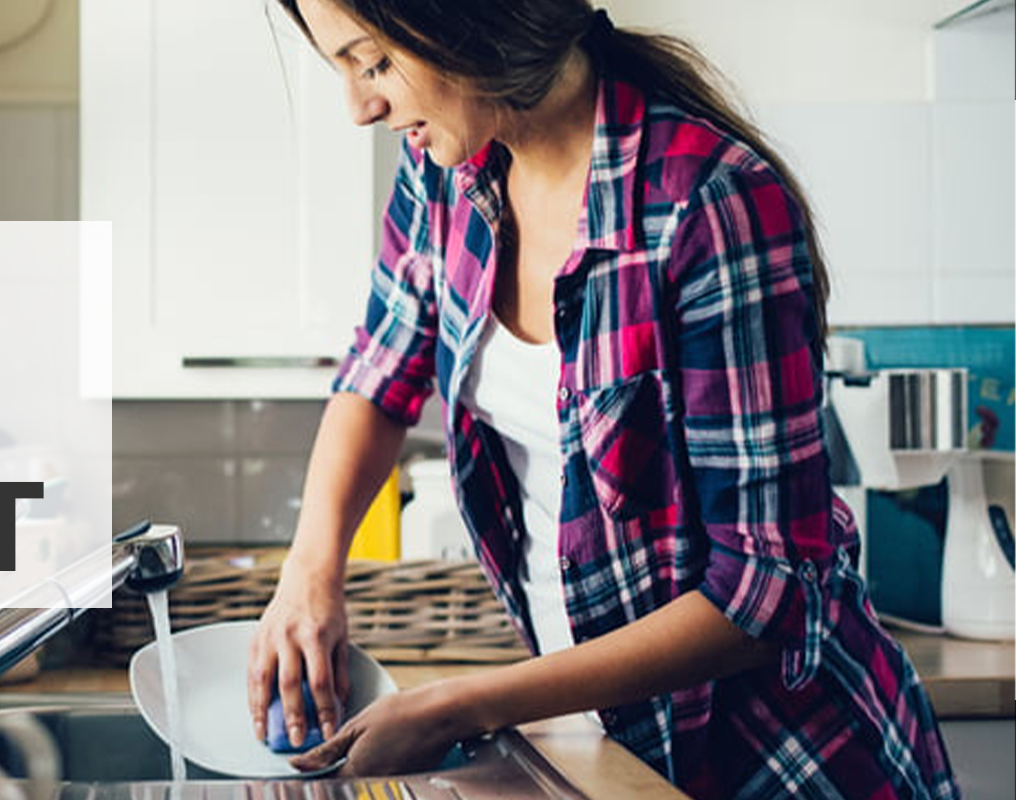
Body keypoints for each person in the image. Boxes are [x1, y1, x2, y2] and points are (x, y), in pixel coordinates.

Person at [246, 2, 959, 798]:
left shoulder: (709, 204)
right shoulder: (446, 172)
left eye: (374, 63)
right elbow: (380, 375)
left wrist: (464, 706)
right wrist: (308, 577)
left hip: (786, 763)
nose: (359, 108)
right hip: (613, 745)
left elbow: (766, 591)